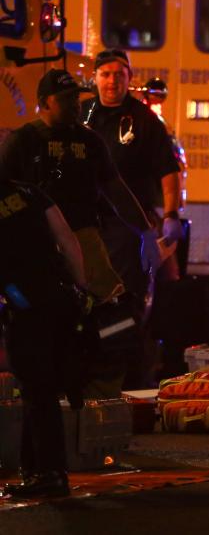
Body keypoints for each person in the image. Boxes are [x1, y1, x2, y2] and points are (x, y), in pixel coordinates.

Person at [0, 68, 158, 399]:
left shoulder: (89, 141)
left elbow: (115, 189)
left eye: (77, 98)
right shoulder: (23, 141)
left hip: (86, 241)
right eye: (66, 99)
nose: (74, 105)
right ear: (43, 102)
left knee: (115, 314)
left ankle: (104, 395)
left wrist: (145, 232)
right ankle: (39, 392)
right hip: (37, 248)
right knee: (42, 316)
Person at [83, 49, 182, 387]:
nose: (112, 81)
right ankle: (91, 376)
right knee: (87, 302)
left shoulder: (144, 122)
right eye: (106, 74)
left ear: (129, 79)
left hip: (130, 228)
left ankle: (130, 383)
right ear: (95, 78)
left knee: (125, 304)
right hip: (85, 227)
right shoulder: (82, 116)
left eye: (119, 74)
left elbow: (169, 172)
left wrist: (171, 214)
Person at [0, 179, 87, 499]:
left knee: (37, 392)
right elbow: (66, 237)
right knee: (42, 389)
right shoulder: (27, 192)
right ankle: (34, 470)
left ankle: (50, 473)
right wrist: (82, 289)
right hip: (59, 297)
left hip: (23, 303)